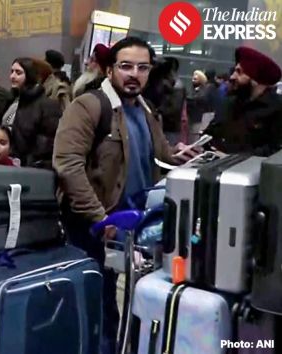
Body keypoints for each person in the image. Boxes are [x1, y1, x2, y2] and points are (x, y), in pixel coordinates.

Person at [53, 37, 196, 354]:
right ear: (108, 69)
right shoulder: (89, 106)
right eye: (126, 66)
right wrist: (99, 218)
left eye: (142, 67)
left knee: (127, 302)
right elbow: (68, 166)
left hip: (134, 227)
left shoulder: (145, 110)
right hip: (93, 226)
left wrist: (180, 157)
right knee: (98, 307)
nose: (135, 74)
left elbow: (157, 156)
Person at [204, 46, 282, 157]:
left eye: (239, 72)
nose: (232, 77)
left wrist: (233, 159)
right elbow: (210, 134)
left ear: (256, 79)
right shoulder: (229, 103)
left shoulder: (277, 108)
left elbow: (275, 151)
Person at [2, 57, 62, 168]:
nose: (12, 76)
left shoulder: (48, 105)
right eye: (12, 72)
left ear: (29, 75)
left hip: (34, 170)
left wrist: (31, 163)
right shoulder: (14, 101)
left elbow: (48, 144)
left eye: (18, 72)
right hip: (15, 165)